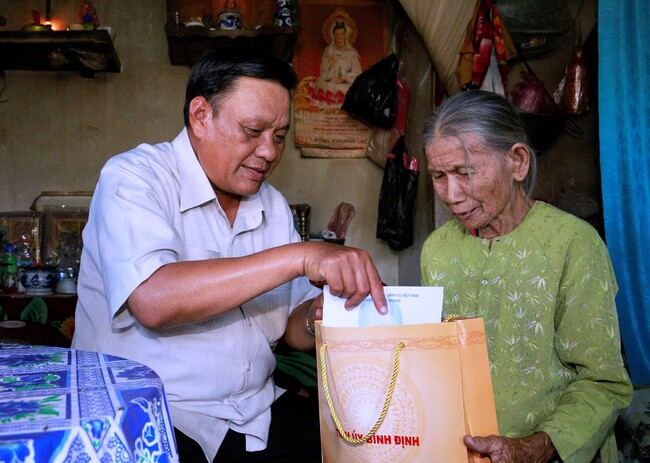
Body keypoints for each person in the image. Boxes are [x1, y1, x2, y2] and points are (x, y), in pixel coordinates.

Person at [71, 46, 387, 463]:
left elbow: (291, 328)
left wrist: (315, 318)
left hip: (251, 413)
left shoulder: (270, 207)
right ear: (201, 116)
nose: (270, 152)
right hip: (148, 413)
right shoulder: (134, 177)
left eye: (278, 136)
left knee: (367, 445)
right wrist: (302, 255)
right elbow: (153, 299)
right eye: (253, 132)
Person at [420, 90, 632, 463]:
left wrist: (532, 448)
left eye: (465, 173)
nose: (451, 194)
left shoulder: (573, 243)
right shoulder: (436, 250)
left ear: (517, 162)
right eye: (439, 175)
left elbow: (603, 383)